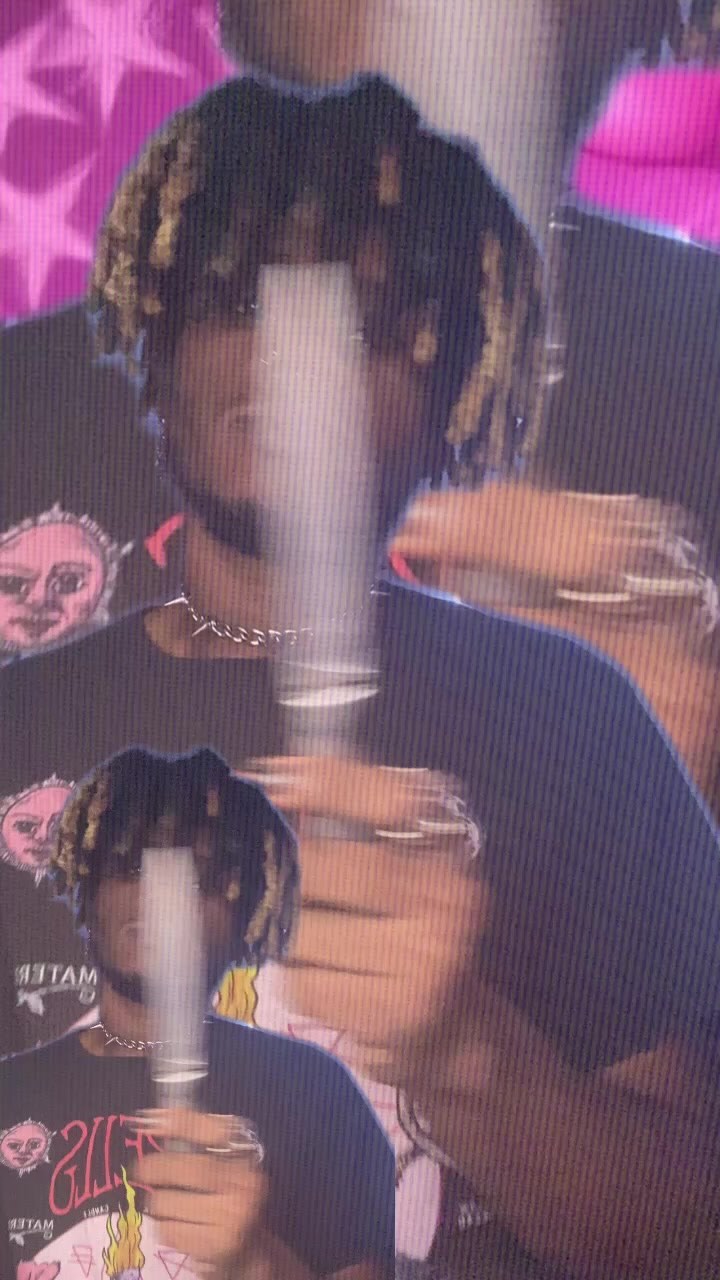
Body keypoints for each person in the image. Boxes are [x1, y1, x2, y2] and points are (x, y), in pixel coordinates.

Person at [4, 72, 720, 1279]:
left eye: (364, 318)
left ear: (448, 386)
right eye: (236, 295)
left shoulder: (575, 716)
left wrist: (466, 1050)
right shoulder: (15, 721)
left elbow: (694, 1233)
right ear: (154, 348)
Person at [0, 747, 394, 1280]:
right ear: (88, 892)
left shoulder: (314, 1091)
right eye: (130, 864)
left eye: (200, 878)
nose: (158, 893)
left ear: (247, 917)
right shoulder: (9, 1093)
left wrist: (256, 1263)